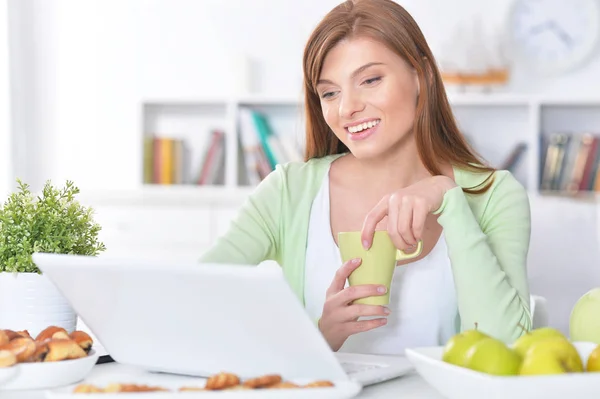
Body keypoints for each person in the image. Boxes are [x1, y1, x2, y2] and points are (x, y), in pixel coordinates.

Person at [200, 0, 531, 355]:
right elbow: (195, 302)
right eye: (330, 92)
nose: (346, 108)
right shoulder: (289, 191)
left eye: (370, 80)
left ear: (422, 76)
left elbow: (508, 351)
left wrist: (449, 199)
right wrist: (318, 337)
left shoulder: (494, 195)